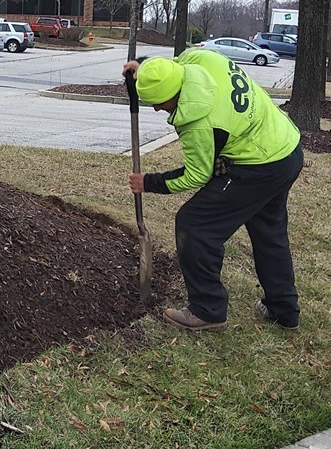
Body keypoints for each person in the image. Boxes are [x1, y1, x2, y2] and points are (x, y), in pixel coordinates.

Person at [125, 50, 304, 331]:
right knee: (268, 230)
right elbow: (172, 66)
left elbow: (196, 175)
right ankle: (284, 309)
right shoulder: (200, 59)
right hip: (285, 147)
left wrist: (149, 182)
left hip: (259, 165)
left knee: (195, 224)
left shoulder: (199, 122)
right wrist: (146, 69)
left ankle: (207, 309)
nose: (158, 109)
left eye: (159, 102)